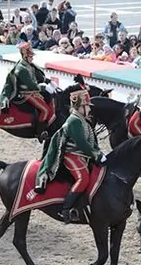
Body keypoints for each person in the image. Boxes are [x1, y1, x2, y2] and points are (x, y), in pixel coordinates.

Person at [37, 89, 104, 222]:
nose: (89, 110)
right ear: (79, 107)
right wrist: (96, 155)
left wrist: (100, 152)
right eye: (87, 107)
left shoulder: (82, 119)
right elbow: (82, 143)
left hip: (82, 154)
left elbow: (91, 140)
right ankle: (65, 209)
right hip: (71, 154)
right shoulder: (74, 121)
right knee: (83, 178)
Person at [0, 41, 52, 131]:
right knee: (45, 110)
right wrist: (43, 87)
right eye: (30, 57)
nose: (32, 59)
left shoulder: (29, 65)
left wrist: (48, 81)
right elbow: (31, 85)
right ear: (25, 56)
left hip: (33, 92)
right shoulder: (21, 69)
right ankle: (40, 131)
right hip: (26, 93)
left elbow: (38, 76)